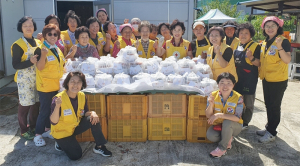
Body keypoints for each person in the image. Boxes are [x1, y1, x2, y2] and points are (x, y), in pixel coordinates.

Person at [50, 72, 112, 160]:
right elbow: (53, 121)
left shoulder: (82, 96)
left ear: (82, 84)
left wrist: (92, 113)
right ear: (67, 83)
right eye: (72, 81)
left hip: (74, 127)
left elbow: (84, 112)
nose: (75, 84)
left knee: (93, 118)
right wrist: (57, 107)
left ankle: (99, 146)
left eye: (79, 82)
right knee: (76, 156)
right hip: (61, 132)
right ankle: (59, 143)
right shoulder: (58, 99)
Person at [257, 16, 291, 143]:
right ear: (264, 28)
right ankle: (268, 128)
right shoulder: (265, 42)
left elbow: (287, 60)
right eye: (267, 26)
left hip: (278, 80)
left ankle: (272, 132)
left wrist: (280, 46)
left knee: (274, 106)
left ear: (278, 27)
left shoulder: (283, 41)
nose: (270, 28)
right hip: (267, 79)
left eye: (273, 26)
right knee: (268, 105)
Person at [34, 24, 65, 146]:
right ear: (45, 35)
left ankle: (47, 130)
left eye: (55, 34)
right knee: (44, 111)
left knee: (52, 110)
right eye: (50, 34)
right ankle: (37, 135)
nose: (53, 36)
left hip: (56, 86)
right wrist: (43, 55)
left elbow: (60, 65)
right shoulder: (41, 49)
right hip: (45, 87)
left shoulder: (56, 48)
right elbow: (40, 67)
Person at [11, 16, 41, 140]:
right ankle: (23, 130)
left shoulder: (38, 42)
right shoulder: (18, 44)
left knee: (35, 104)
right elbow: (15, 65)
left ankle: (33, 127)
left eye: (30, 25)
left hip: (37, 78)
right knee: (24, 105)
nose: (28, 28)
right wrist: (30, 61)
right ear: (21, 28)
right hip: (24, 80)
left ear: (34, 27)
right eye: (25, 26)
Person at [206, 72, 243, 158]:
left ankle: (222, 148)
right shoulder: (213, 95)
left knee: (227, 122)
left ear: (233, 85)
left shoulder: (238, 97)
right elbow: (208, 115)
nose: (225, 86)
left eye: (228, 83)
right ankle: (228, 137)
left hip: (234, 126)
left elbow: (237, 118)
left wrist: (219, 115)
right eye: (222, 83)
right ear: (218, 84)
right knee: (211, 136)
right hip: (219, 125)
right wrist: (211, 105)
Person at [233, 22, 261, 130]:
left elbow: (258, 63)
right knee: (238, 101)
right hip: (238, 78)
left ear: (251, 35)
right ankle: (237, 119)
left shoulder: (255, 46)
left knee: (248, 103)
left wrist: (251, 58)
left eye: (246, 33)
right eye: (241, 33)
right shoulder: (237, 45)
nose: (243, 35)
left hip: (249, 78)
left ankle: (245, 122)